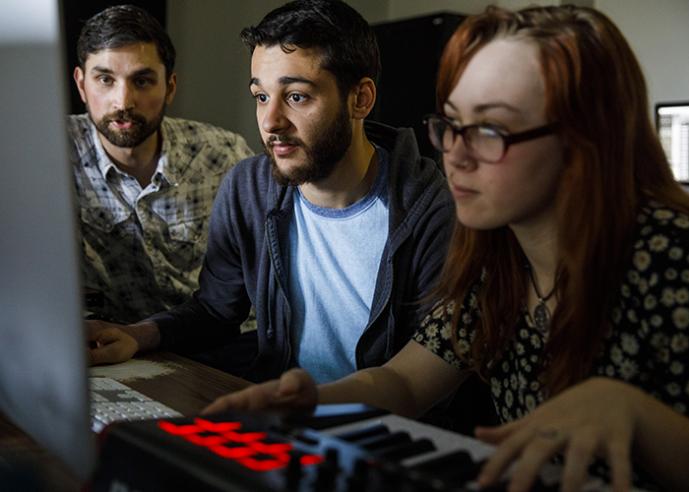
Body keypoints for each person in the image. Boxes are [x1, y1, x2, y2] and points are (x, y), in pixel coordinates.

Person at [203, 5, 689, 491]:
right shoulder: (494, 259)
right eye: (453, 124)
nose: (455, 152)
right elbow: (407, 382)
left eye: (491, 129)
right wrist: (315, 400)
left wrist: (636, 414)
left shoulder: (668, 258)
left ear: (583, 142)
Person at [87, 0, 454, 386]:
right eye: (261, 97)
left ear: (360, 99)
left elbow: (427, 373)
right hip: (280, 417)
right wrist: (135, 335)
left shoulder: (428, 209)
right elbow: (215, 311)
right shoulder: (249, 187)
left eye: (296, 96)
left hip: (385, 432)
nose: (270, 121)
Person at [70, 5, 252, 323]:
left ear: (169, 87)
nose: (123, 102)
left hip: (223, 341)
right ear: (82, 84)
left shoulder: (223, 154)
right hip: (117, 350)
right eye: (105, 80)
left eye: (142, 82)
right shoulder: (50, 152)